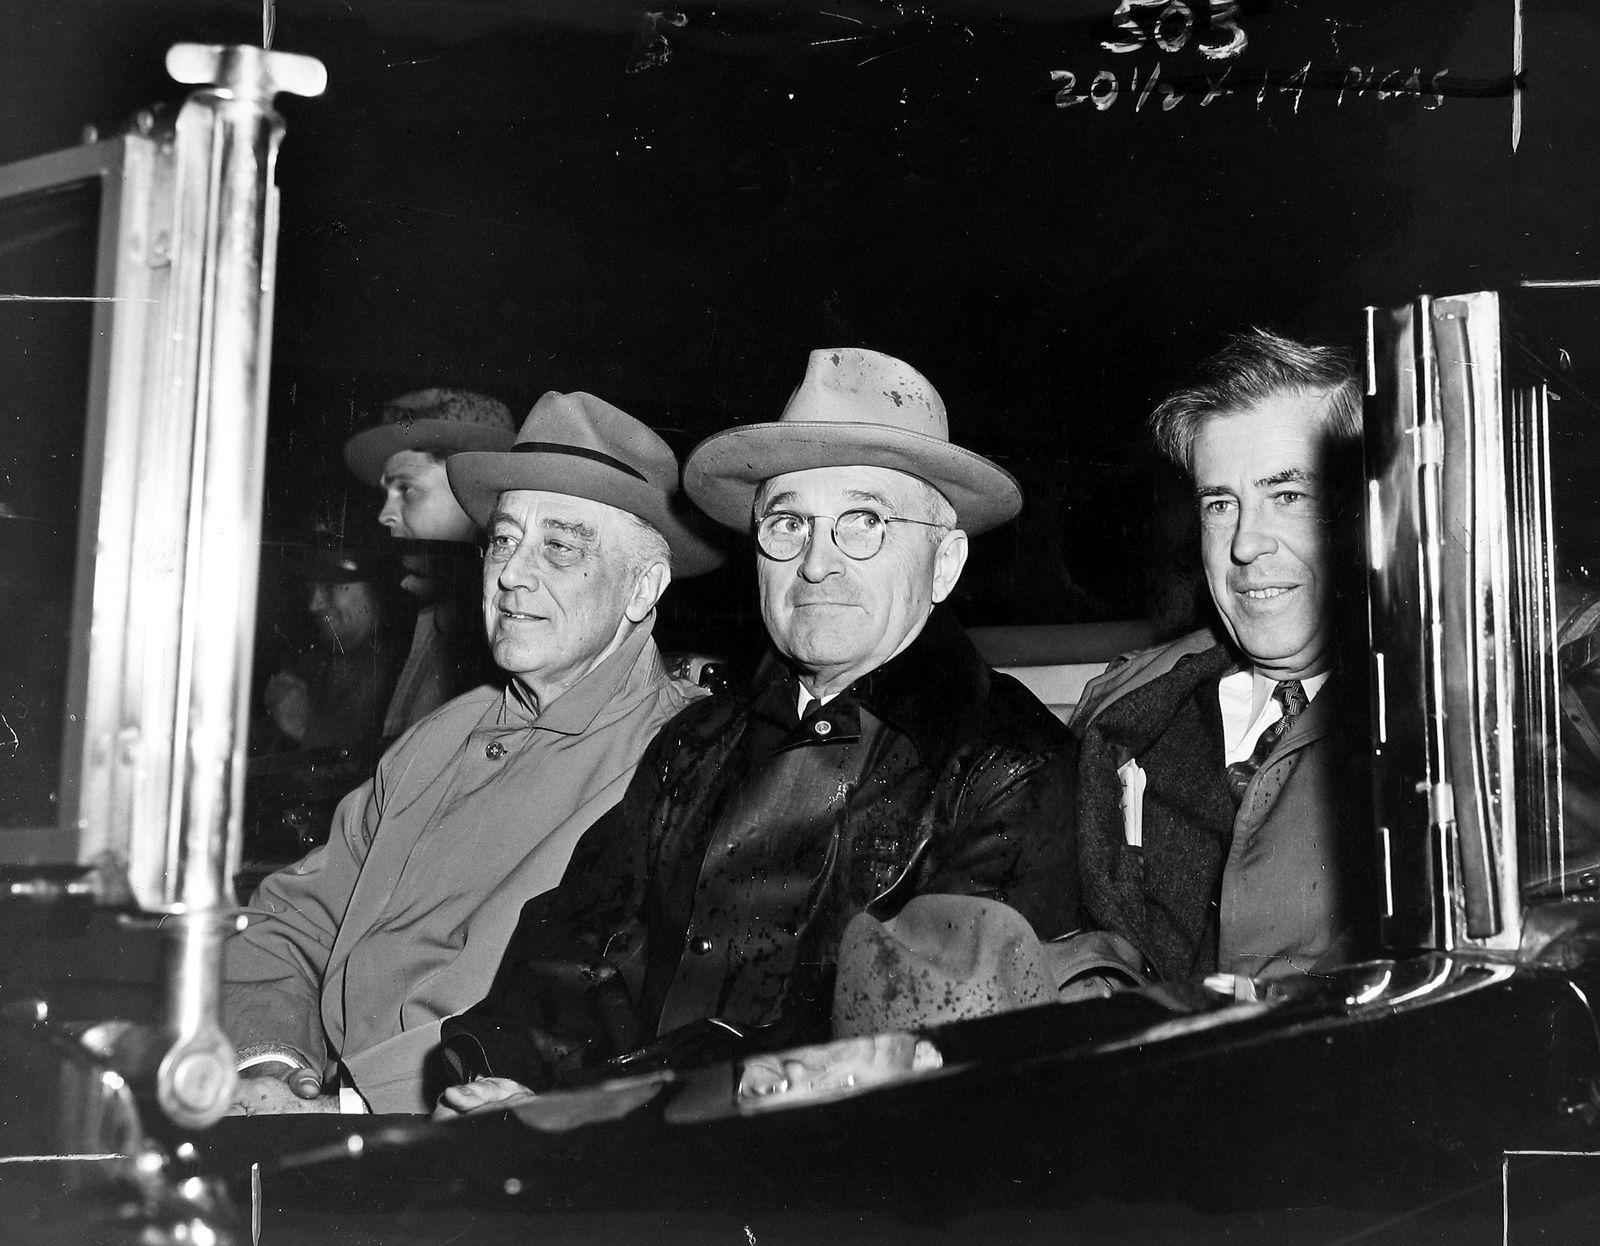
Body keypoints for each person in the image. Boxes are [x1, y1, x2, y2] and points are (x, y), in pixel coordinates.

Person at [435, 346, 1078, 1108]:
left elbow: (911, 1065)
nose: (815, 565)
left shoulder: (1010, 766)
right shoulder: (696, 743)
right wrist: (507, 1073)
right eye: (788, 525)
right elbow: (577, 944)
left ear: (944, 564)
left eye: (863, 523)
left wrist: (606, 1111)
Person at [222, 391, 723, 1114]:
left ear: (644, 586)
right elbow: (295, 920)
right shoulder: (445, 733)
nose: (513, 573)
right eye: (504, 539)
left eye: (560, 545)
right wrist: (272, 1059)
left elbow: (601, 1024)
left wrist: (353, 1106)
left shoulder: (681, 761)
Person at [1071, 328, 1377, 984]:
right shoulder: (1127, 711)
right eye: (1220, 505)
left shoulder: (1443, 718)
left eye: (1288, 496)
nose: (1244, 545)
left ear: (1362, 513)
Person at [343, 387, 516, 735]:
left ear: (480, 496)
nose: (384, 515)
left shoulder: (505, 643)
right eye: (385, 494)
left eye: (406, 489)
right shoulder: (431, 618)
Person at [260, 532, 410, 752]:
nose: (314, 604)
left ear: (374, 585)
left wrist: (304, 728)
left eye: (331, 585)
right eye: (311, 588)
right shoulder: (317, 659)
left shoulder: (394, 670)